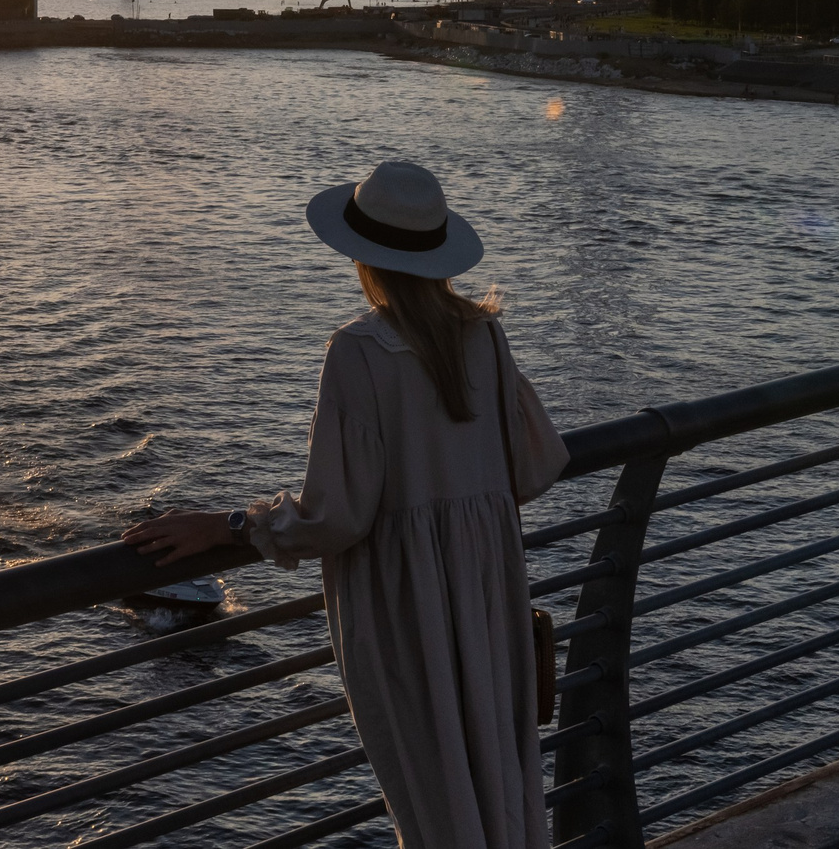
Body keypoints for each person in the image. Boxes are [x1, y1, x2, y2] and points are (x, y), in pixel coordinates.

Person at [124, 161, 568, 849]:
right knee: (498, 785)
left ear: (364, 256)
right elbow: (536, 461)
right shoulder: (484, 335)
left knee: (434, 796)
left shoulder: (360, 351)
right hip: (487, 592)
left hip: (407, 603)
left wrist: (230, 523)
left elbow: (338, 515)